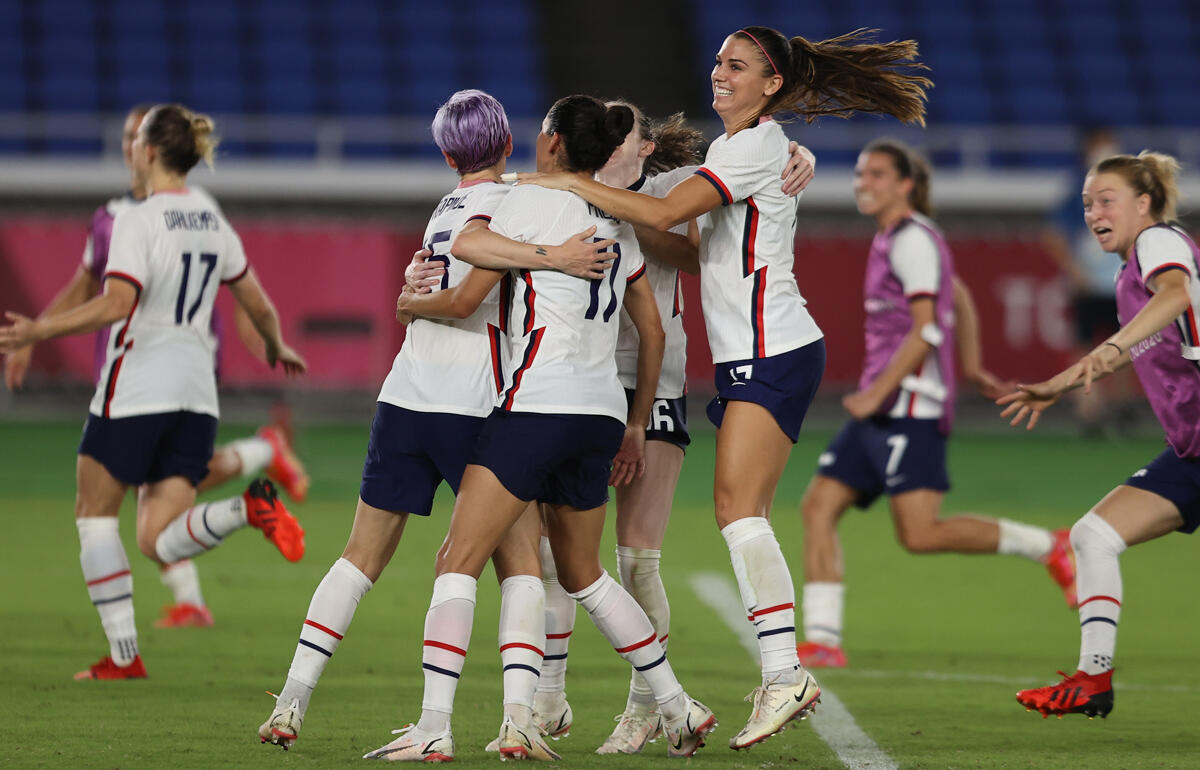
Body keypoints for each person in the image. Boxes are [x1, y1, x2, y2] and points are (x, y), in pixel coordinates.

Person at [516, 26, 930, 750]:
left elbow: (669, 213)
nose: (718, 73)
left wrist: (570, 185)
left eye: (736, 66)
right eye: (717, 61)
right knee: (743, 515)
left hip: (773, 346)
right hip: (759, 352)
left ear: (770, 84)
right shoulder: (744, 149)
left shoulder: (750, 147)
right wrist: (608, 206)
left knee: (739, 515)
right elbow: (688, 243)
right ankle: (779, 673)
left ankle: (785, 672)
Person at [258, 89, 621, 754]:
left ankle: (289, 703)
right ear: (509, 144)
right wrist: (556, 256)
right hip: (475, 406)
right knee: (519, 567)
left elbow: (430, 284)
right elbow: (465, 297)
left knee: (358, 558)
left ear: (447, 152)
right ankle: (514, 720)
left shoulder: (445, 207)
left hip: (405, 397)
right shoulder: (513, 205)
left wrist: (407, 299)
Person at [363, 95, 717, 762]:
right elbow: (653, 329)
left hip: (536, 405)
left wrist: (546, 255)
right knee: (585, 573)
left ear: (553, 142)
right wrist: (637, 423)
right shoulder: (614, 217)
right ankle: (677, 703)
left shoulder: (525, 203)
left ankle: (434, 727)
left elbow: (468, 243)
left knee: (456, 559)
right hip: (602, 412)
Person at [0, 104, 308, 680]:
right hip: (196, 395)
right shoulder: (210, 217)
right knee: (158, 540)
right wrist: (276, 345)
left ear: (147, 151)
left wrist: (40, 330)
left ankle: (123, 655)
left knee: (94, 515)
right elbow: (257, 303)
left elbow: (118, 303)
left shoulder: (137, 220)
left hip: (137, 386)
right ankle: (248, 507)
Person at [794, 139, 1077, 670]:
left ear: (906, 185)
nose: (863, 183)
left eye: (876, 174)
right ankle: (825, 640)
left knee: (920, 534)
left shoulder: (912, 240)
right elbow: (960, 294)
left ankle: (1050, 545)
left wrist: (879, 390)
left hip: (909, 408)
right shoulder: (896, 239)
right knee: (818, 506)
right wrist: (969, 367)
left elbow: (927, 327)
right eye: (860, 173)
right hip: (885, 408)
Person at [1001, 151, 1200, 719]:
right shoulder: (1127, 274)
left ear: (1143, 204)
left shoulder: (1157, 243)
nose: (1093, 213)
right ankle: (1092, 681)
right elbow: (1121, 354)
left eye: (1106, 200)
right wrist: (1056, 386)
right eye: (1087, 203)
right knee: (1092, 537)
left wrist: (1107, 349)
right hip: (1191, 452)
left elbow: (1176, 294)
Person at [1041, 127, 1138, 433]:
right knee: (1084, 346)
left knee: (1125, 345)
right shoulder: (1080, 190)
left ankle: (1123, 408)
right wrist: (1075, 272)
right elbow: (1053, 234)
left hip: (1121, 281)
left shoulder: (1130, 189)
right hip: (1090, 284)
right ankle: (1089, 410)